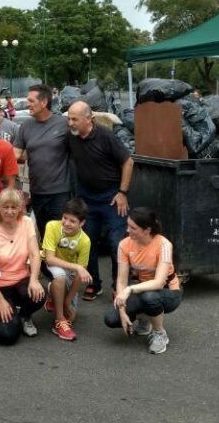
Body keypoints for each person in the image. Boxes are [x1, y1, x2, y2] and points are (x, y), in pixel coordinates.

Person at [67, 101, 134, 301]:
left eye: (74, 119)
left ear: (89, 119)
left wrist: (122, 192)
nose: (70, 123)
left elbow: (128, 161)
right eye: (69, 118)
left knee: (116, 243)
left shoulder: (106, 136)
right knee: (88, 242)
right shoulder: (72, 137)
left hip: (112, 197)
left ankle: (119, 285)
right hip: (87, 196)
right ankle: (94, 284)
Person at [104, 208, 182, 354]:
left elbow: (159, 283)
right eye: (128, 225)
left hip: (169, 292)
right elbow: (121, 280)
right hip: (143, 290)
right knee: (111, 319)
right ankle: (146, 320)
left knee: (149, 297)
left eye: (133, 228)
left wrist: (129, 290)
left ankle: (160, 334)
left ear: (146, 230)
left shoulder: (164, 244)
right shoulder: (124, 245)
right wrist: (122, 311)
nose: (128, 230)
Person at [0, 189, 46, 345]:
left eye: (14, 207)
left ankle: (24, 316)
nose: (9, 211)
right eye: (6, 207)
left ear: (20, 208)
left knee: (39, 295)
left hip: (21, 279)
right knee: (8, 336)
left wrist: (34, 280)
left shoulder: (26, 223)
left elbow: (34, 254)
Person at [13, 84, 72, 239]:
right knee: (45, 234)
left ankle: (61, 263)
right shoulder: (26, 126)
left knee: (61, 236)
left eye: (31, 101)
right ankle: (47, 263)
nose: (27, 104)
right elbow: (16, 154)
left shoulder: (63, 124)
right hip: (37, 192)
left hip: (60, 192)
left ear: (44, 102)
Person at [41, 198, 92, 341]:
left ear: (82, 223)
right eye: (65, 218)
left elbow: (79, 275)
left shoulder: (85, 240)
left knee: (72, 315)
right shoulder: (52, 226)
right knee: (60, 275)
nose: (67, 223)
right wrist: (76, 267)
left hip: (69, 272)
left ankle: (56, 298)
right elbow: (50, 259)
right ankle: (59, 320)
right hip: (48, 265)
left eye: (72, 221)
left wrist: (68, 301)